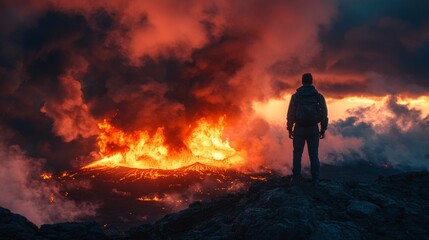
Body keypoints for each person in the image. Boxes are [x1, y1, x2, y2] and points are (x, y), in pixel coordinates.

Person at [286, 73, 328, 184]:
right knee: (313, 154)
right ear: (311, 81)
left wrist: (290, 128)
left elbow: (291, 114)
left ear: (302, 81)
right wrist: (323, 129)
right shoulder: (318, 97)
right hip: (313, 129)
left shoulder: (296, 96)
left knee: (297, 154)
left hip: (299, 128)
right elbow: (324, 114)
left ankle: (296, 178)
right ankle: (315, 178)